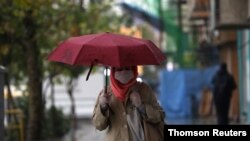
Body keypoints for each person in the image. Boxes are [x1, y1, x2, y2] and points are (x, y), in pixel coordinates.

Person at [92, 66, 165, 141]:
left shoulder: (144, 89)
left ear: (133, 69)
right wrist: (103, 107)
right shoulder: (105, 93)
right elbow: (98, 126)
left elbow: (160, 116)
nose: (123, 72)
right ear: (113, 71)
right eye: (119, 69)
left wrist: (141, 106)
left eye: (127, 68)